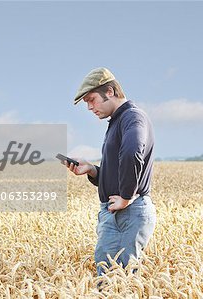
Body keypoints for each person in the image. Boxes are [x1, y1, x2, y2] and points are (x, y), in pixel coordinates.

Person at [66, 67, 157, 276]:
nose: (89, 107)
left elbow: (133, 152)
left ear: (110, 92)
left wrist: (126, 196)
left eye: (91, 99)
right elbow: (119, 169)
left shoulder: (132, 117)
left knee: (118, 281)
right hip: (117, 212)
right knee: (107, 279)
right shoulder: (118, 121)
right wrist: (92, 170)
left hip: (128, 212)